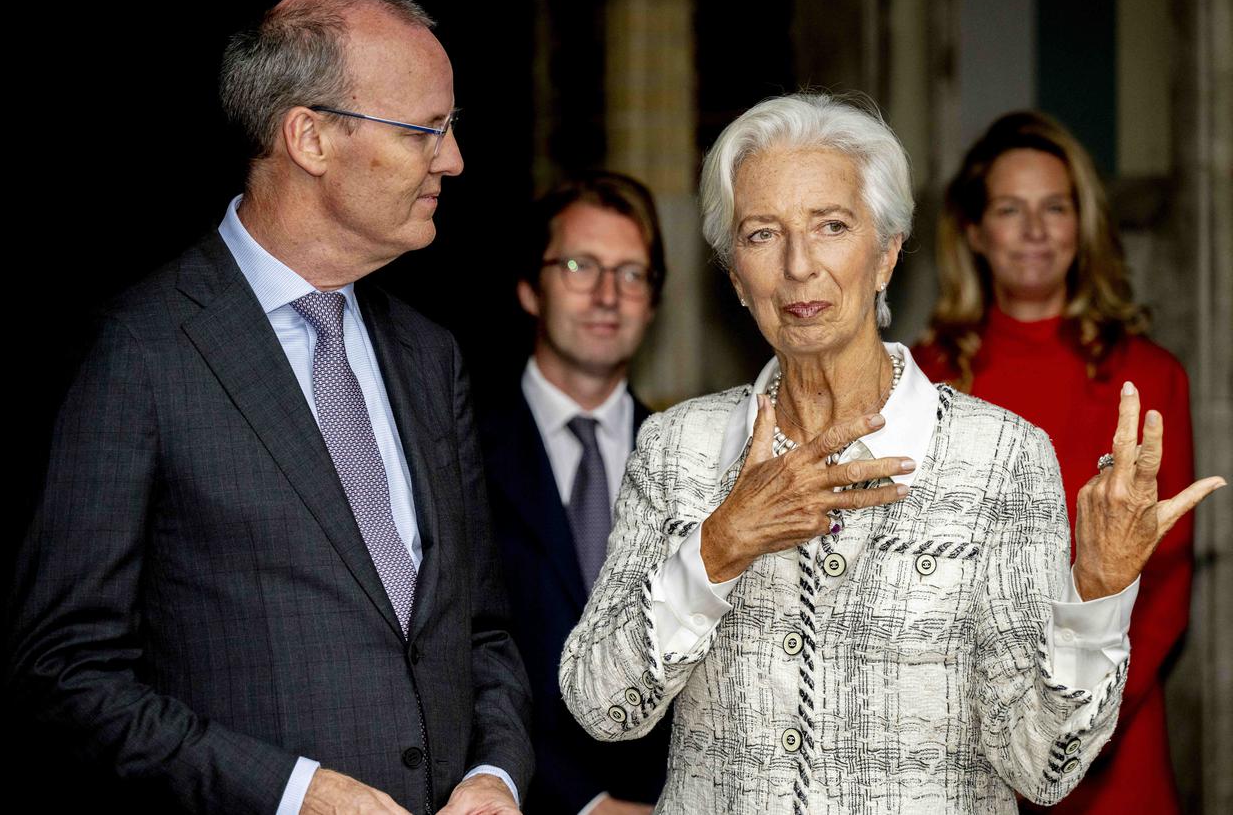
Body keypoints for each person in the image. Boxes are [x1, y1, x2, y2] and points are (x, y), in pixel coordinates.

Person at [557, 92, 1225, 814]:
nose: (799, 265)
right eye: (761, 234)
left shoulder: (1000, 454)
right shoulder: (675, 447)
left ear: (886, 253)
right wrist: (718, 545)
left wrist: (1096, 593)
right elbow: (601, 706)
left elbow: (1043, 765)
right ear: (734, 278)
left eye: (832, 226)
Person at [8, 0, 531, 815]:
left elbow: (482, 632)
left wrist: (495, 775)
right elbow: (64, 671)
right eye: (426, 129)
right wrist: (294, 793)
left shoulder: (431, 356)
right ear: (310, 136)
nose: (454, 159)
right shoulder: (140, 351)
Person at [912, 110, 1195, 815]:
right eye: (1011, 209)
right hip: (967, 747)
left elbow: (1164, 574)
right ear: (975, 232)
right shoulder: (924, 378)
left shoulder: (1150, 374)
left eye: (1054, 208)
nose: (1035, 231)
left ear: (1083, 225)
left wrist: (1081, 722)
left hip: (1113, 748)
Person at [479, 173, 669, 814]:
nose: (608, 295)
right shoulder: (458, 446)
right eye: (581, 266)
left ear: (652, 302)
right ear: (531, 288)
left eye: (632, 274)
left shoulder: (695, 458)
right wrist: (584, 803)